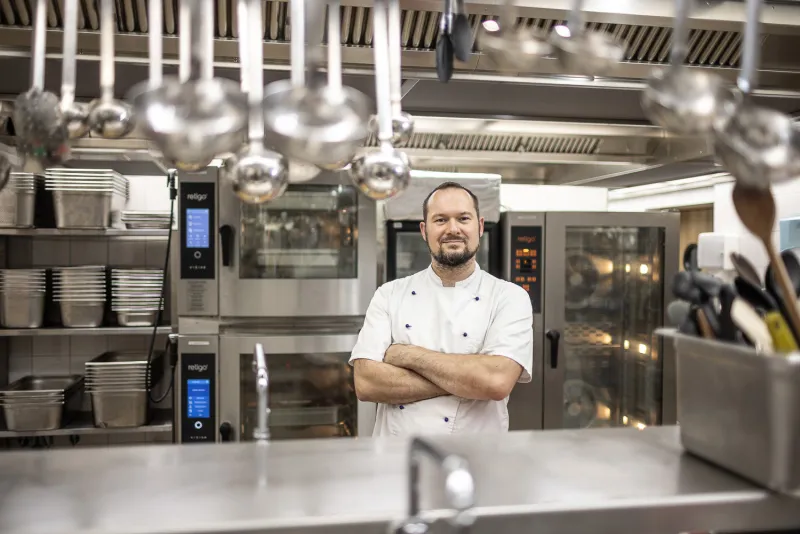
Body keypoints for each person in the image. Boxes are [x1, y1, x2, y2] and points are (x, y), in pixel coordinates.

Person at [349, 181, 534, 437]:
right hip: (398, 454)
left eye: (463, 218)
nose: (453, 229)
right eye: (440, 220)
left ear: (480, 227)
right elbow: (367, 384)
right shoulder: (389, 294)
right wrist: (470, 381)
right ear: (424, 230)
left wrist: (407, 355)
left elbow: (496, 382)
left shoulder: (510, 297)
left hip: (476, 454)